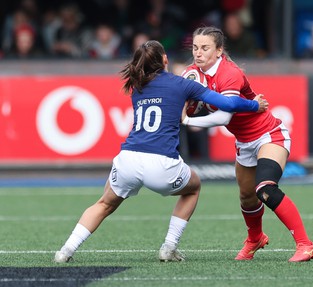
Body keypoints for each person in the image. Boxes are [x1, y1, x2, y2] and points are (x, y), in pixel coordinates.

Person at [54, 40, 267, 263]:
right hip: (162, 163)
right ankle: (169, 247)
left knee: (104, 204)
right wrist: (255, 105)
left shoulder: (137, 86)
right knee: (193, 187)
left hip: (129, 158)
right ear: (165, 59)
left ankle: (65, 251)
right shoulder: (182, 84)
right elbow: (229, 104)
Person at [181, 26, 313, 262]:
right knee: (247, 198)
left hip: (269, 135)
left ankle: (306, 244)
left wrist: (188, 119)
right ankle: (255, 239)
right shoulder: (192, 73)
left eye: (205, 48)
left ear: (219, 51)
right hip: (244, 143)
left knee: (265, 188)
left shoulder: (229, 73)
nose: (198, 53)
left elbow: (225, 116)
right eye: (195, 48)